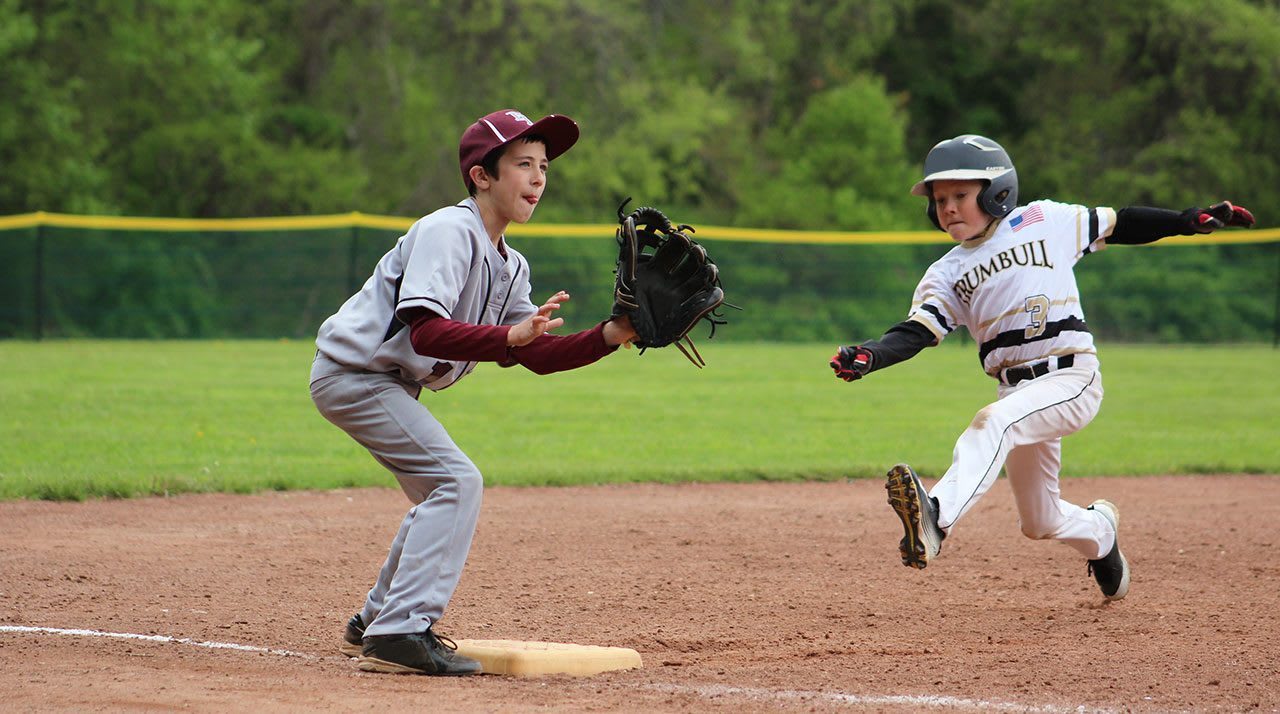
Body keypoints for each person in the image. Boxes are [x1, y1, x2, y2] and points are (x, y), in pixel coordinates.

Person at [829, 134, 1255, 601]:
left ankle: (936, 516)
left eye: (960, 195)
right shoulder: (945, 272)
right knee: (1039, 520)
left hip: (1072, 377)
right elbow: (916, 331)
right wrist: (871, 355)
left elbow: (1120, 222)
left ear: (996, 192)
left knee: (992, 423)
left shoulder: (1043, 220)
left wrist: (1187, 220)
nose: (948, 207)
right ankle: (1101, 533)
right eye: (940, 199)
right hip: (1017, 392)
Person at [310, 109, 637, 675]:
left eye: (544, 166)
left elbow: (536, 355)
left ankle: (376, 620)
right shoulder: (448, 230)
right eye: (523, 164)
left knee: (439, 491)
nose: (538, 178)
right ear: (482, 176)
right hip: (355, 375)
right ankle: (398, 633)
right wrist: (509, 336)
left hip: (384, 383)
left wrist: (613, 333)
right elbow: (426, 330)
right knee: (456, 482)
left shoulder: (511, 264)